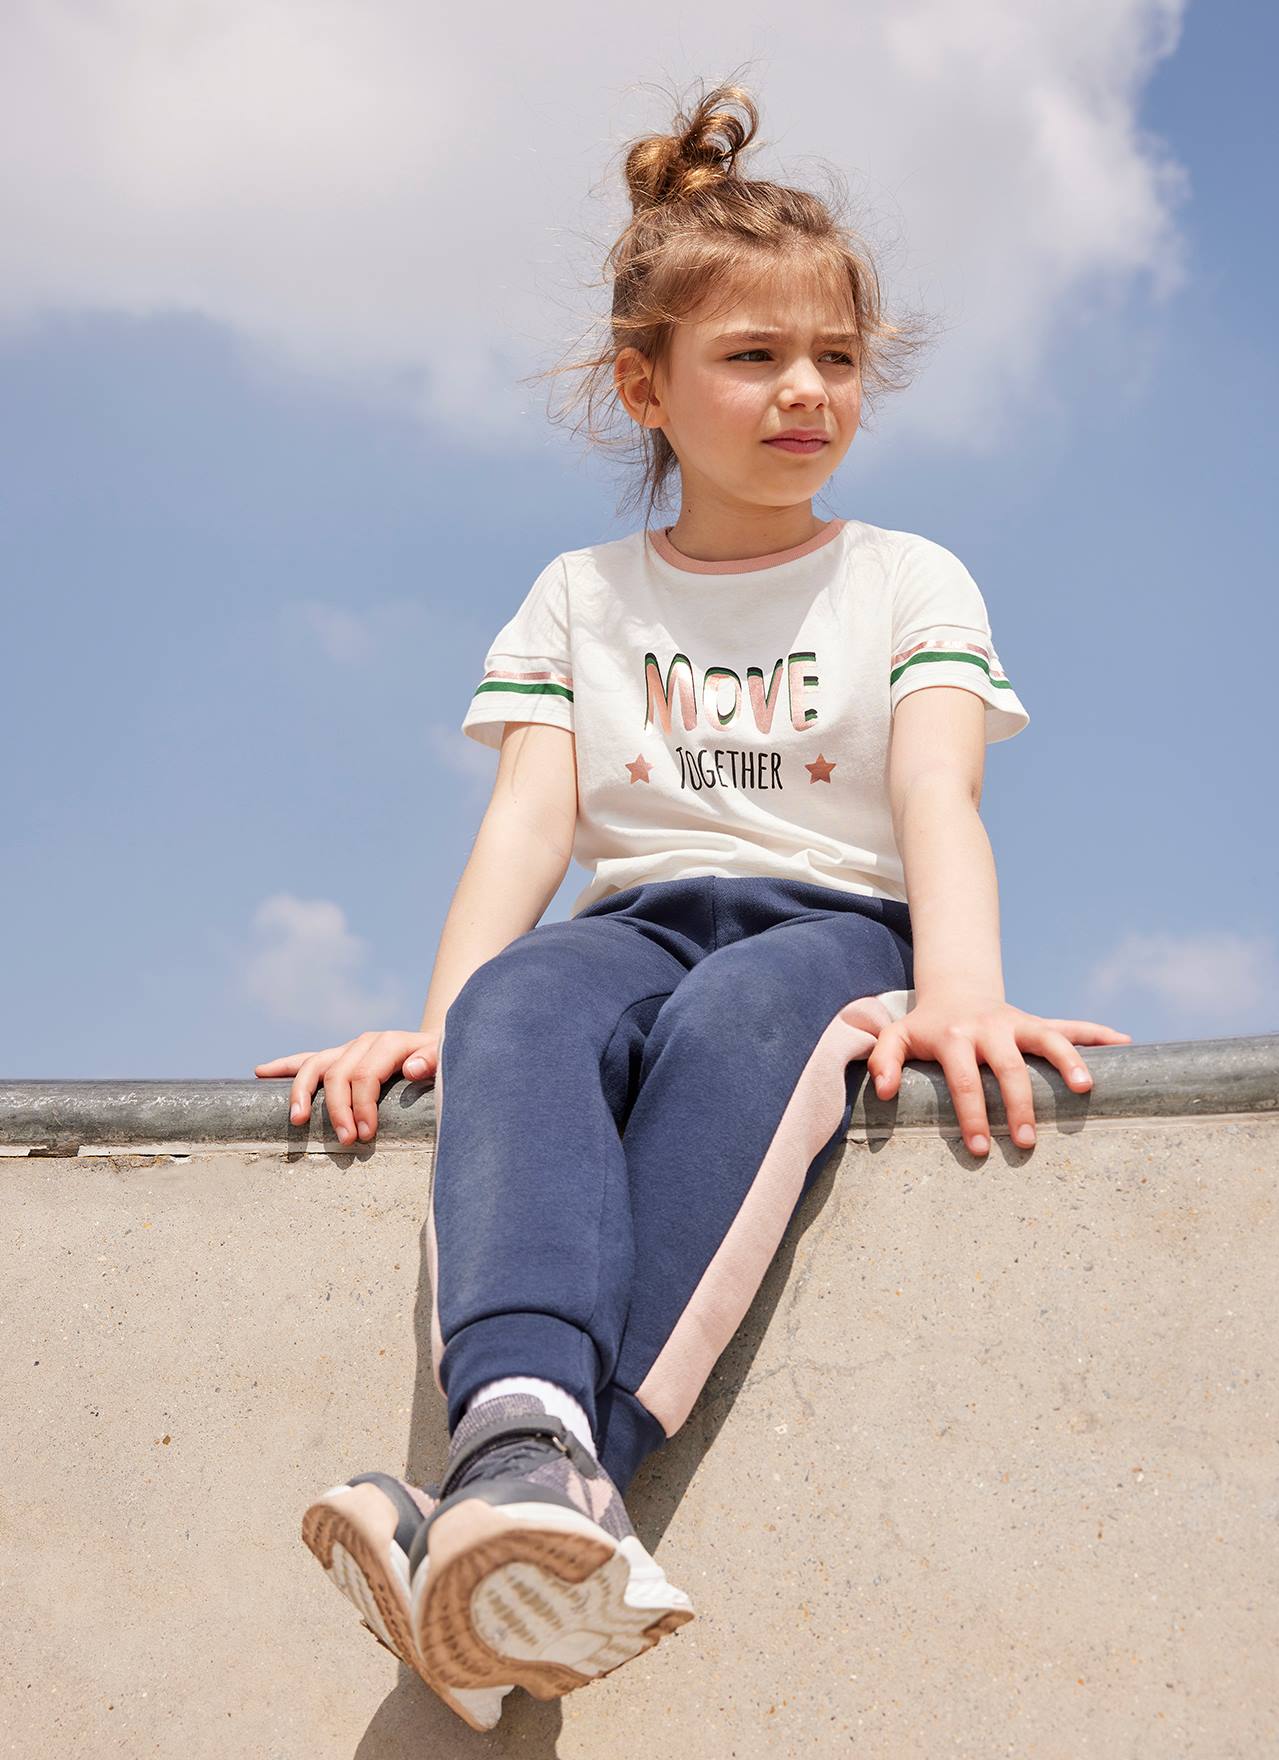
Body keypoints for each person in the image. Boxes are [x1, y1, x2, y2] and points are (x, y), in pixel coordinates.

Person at [256, 75, 1130, 1731]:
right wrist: (439, 1019)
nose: (806, 392)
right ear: (645, 388)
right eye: (755, 358)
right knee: (522, 1001)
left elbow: (937, 792)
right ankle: (524, 1447)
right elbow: (531, 823)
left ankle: (524, 1502)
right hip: (633, 914)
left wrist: (960, 988)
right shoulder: (578, 597)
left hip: (829, 926)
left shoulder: (906, 578)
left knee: (739, 1022)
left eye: (838, 360)